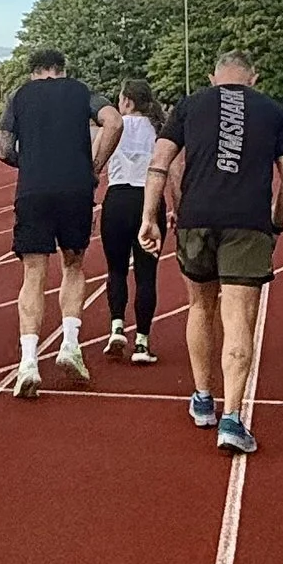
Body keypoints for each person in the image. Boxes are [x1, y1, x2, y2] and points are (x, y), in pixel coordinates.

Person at [144, 52, 283, 454]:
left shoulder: (190, 105)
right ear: (254, 76)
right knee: (238, 316)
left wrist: (152, 216)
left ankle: (201, 398)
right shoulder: (273, 111)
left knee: (200, 308)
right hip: (247, 223)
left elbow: (162, 163)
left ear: (213, 76)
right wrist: (278, 221)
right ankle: (231, 418)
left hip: (197, 218)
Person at [0, 49, 119, 398]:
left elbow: (4, 149)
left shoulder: (18, 95)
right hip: (75, 189)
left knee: (33, 275)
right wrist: (94, 167)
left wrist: (32, 163)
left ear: (34, 71)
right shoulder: (82, 91)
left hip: (33, 190)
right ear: (61, 69)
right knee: (73, 265)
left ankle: (28, 364)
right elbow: (114, 122)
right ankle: (69, 345)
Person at [99, 76, 165, 361]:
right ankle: (142, 342)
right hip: (148, 200)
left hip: (116, 200)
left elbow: (94, 163)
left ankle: (116, 326)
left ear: (126, 101)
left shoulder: (111, 128)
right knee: (146, 273)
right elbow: (170, 171)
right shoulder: (159, 129)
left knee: (115, 269)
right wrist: (175, 207)